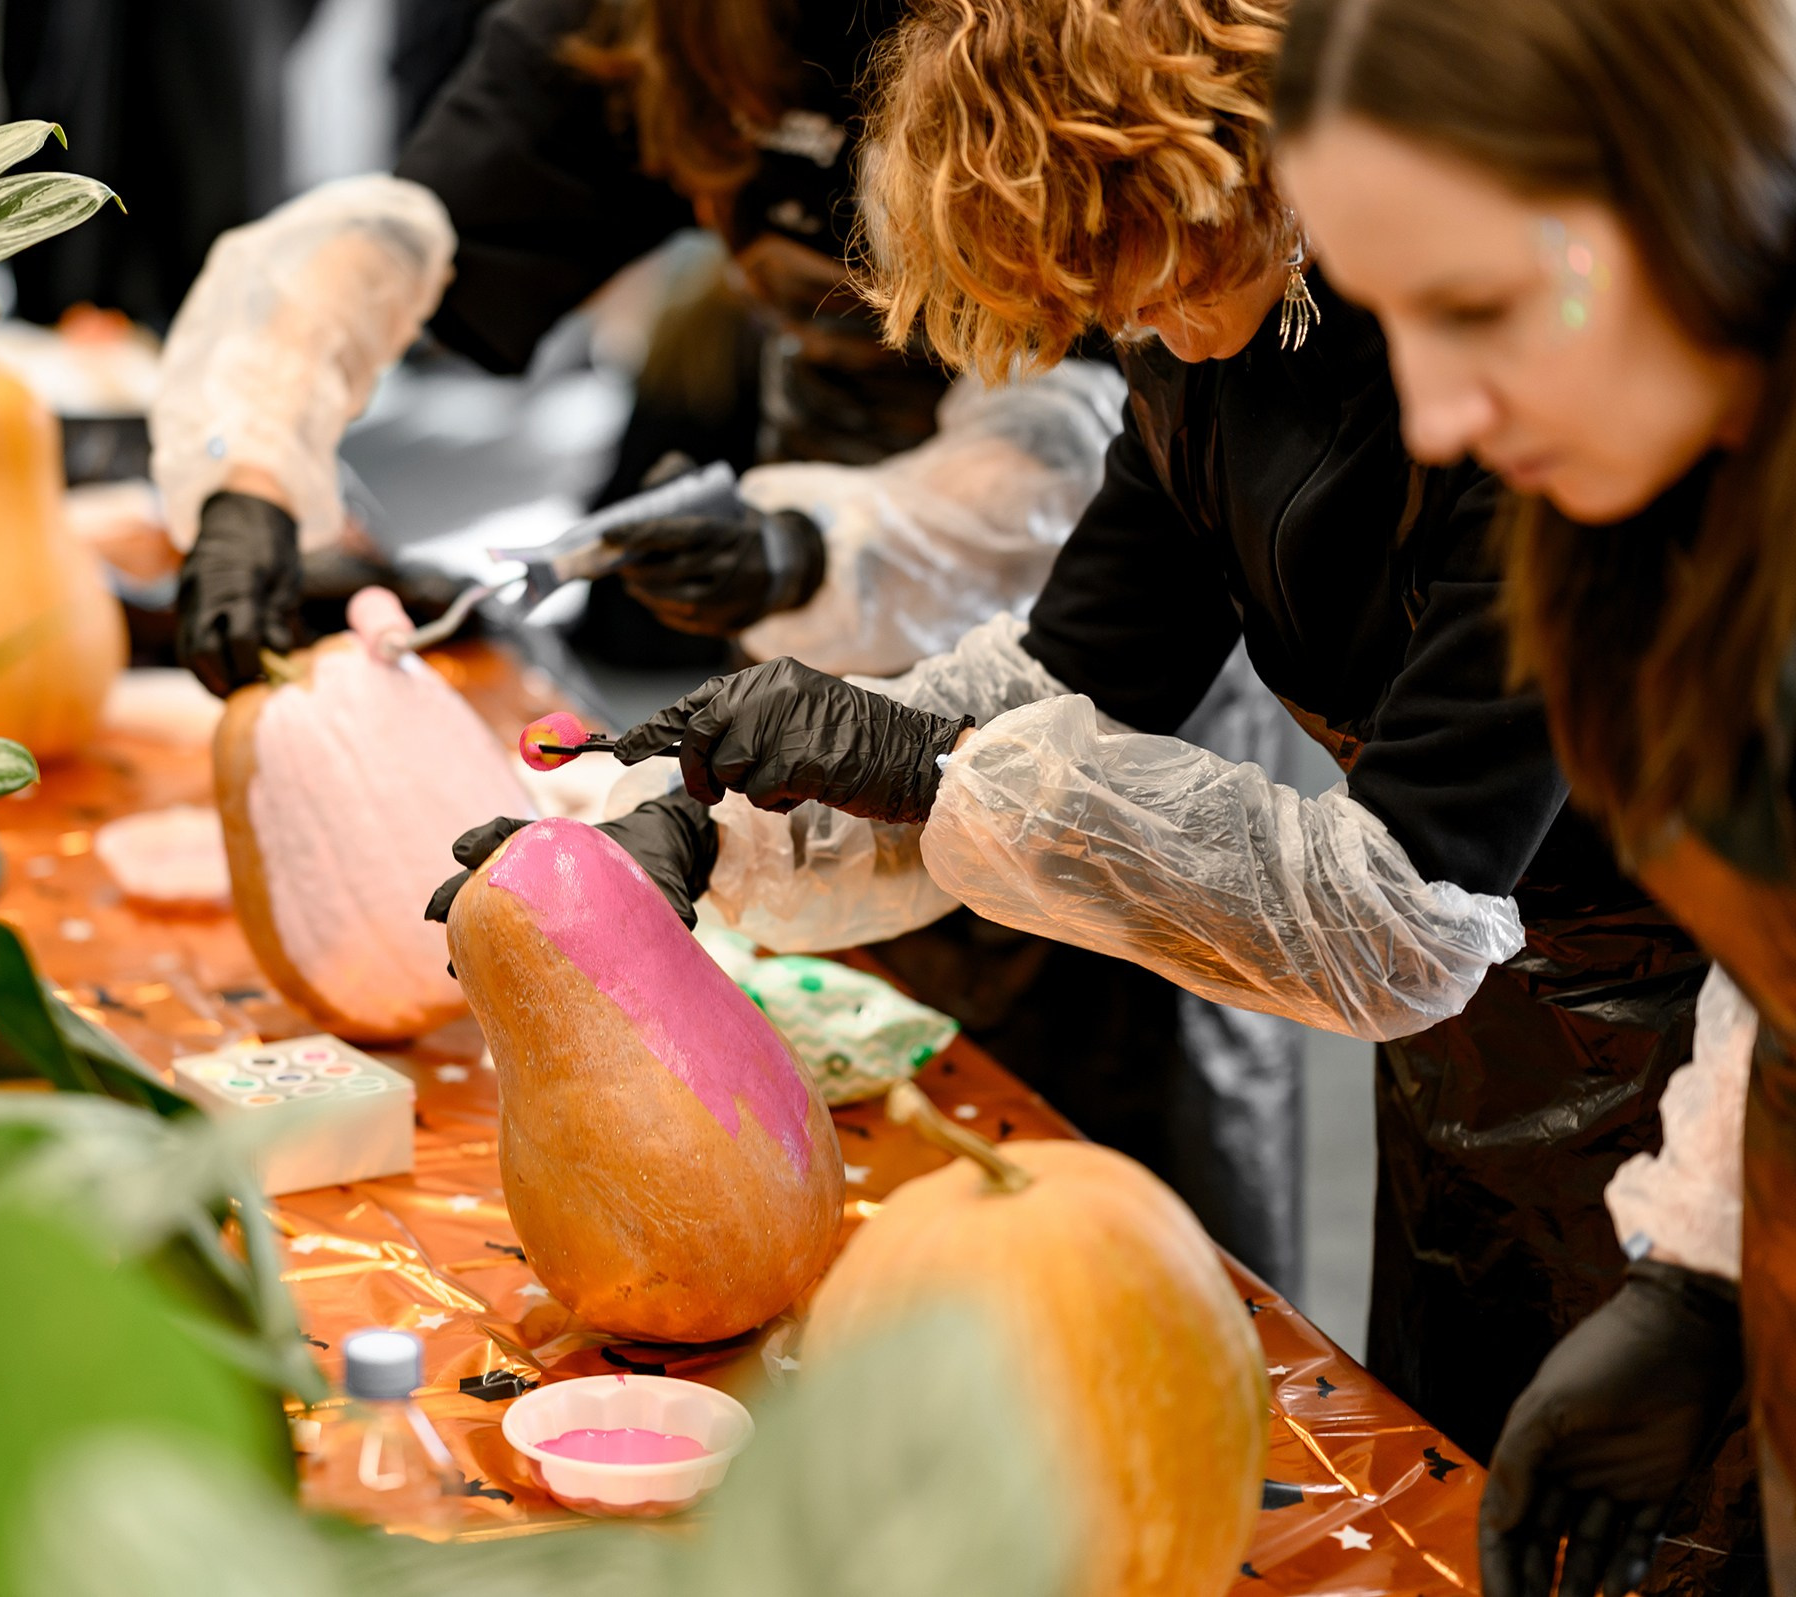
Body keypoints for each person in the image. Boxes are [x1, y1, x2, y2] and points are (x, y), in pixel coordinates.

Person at [430, 0, 1743, 1586]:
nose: (1150, 327)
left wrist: (1693, 1279)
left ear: (1223, 161)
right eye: (1099, 301)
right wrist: (707, 802)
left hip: (1685, 1051)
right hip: (1465, 1081)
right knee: (1454, 1506)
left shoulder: (1519, 391)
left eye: (1156, 270)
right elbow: (1057, 685)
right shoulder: (1190, 351)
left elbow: (1394, 906)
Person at [153, 0, 1312, 1287]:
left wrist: (821, 552)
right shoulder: (655, 27)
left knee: (1119, 1210)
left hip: (1120, 654)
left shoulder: (1083, 73)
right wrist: (249, 466)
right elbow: (398, 235)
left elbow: (1115, 463)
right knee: (861, 1154)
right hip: (847, 620)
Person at [1273, 0, 1796, 1586]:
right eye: (1395, 323)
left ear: (1687, 187)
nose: (1437, 417)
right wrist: (1709, 1273)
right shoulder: (1650, 507)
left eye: (1483, 306)